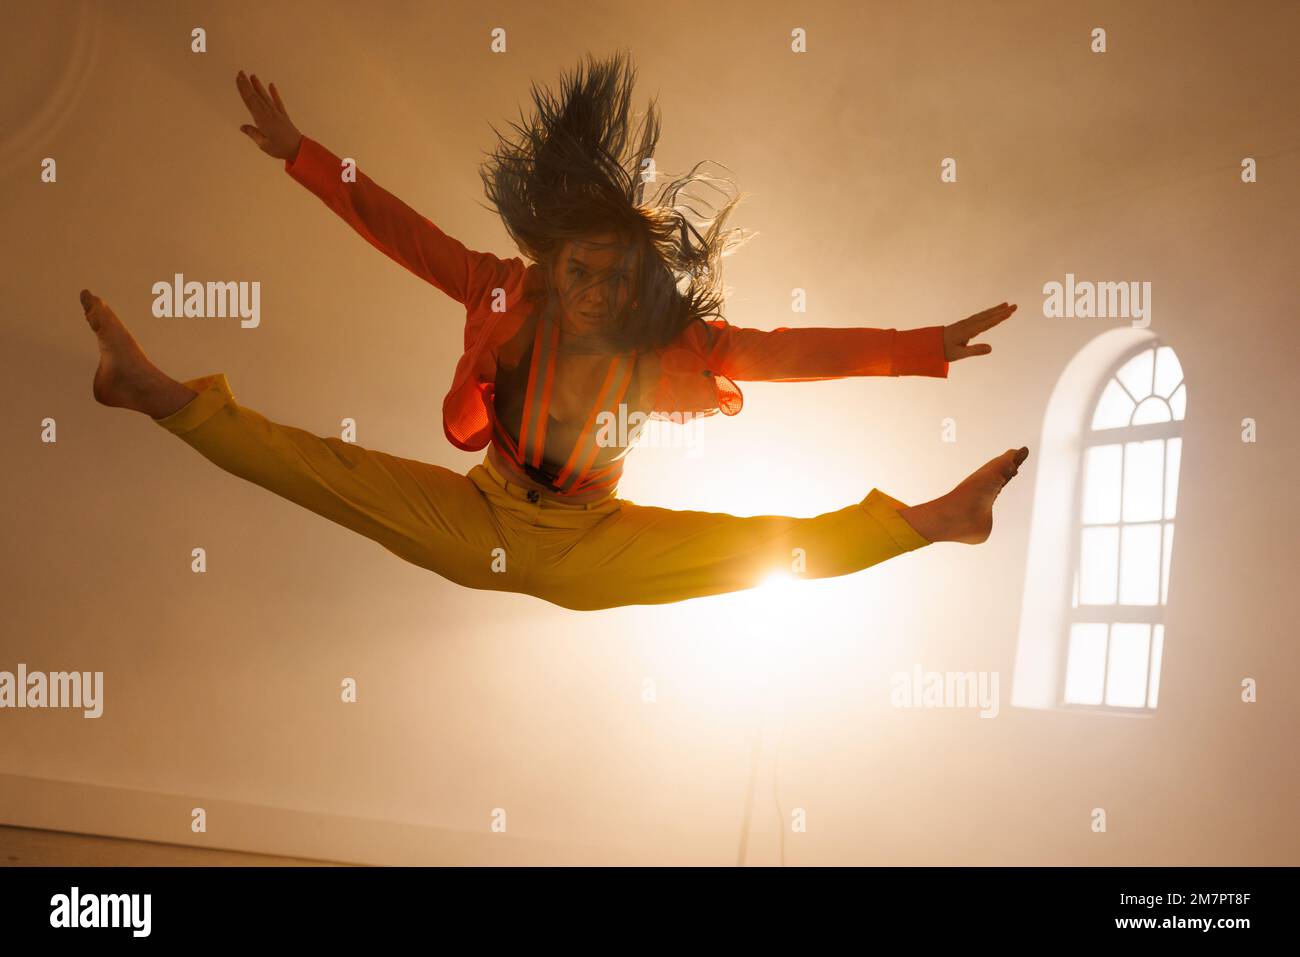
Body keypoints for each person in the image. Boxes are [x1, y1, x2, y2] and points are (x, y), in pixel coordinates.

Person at [77, 52, 1028, 611]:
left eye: (616, 279)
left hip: (592, 543)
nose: (594, 294)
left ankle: (936, 521)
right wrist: (305, 156)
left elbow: (784, 350)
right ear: (550, 260)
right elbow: (404, 233)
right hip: (481, 514)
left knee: (761, 548)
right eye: (580, 270)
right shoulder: (504, 293)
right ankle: (154, 393)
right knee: (329, 475)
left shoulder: (663, 345)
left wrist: (920, 347)